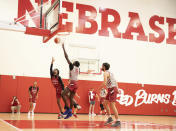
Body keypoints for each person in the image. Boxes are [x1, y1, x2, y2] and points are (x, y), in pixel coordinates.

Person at [61, 44, 80, 119]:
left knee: (63, 94)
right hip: (76, 83)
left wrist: (63, 48)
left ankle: (68, 109)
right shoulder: (78, 69)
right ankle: (70, 112)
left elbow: (66, 57)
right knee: (71, 98)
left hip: (72, 83)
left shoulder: (72, 66)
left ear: (74, 64)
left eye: (73, 62)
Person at [101, 63, 121, 127]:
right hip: (111, 89)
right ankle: (110, 118)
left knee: (112, 105)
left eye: (102, 66)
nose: (101, 67)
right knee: (105, 103)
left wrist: (99, 88)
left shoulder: (105, 73)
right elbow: (115, 81)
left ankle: (118, 121)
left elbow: (104, 82)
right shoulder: (110, 72)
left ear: (104, 67)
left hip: (112, 89)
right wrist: (117, 88)